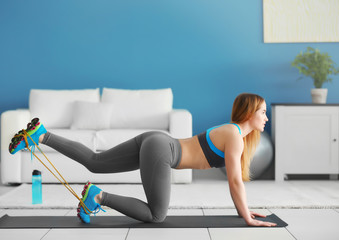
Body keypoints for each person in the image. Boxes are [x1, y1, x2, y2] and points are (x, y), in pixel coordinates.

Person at [9, 93, 276, 227]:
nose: (266, 117)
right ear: (250, 112)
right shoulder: (235, 135)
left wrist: (245, 210)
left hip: (157, 141)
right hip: (163, 150)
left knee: (95, 162)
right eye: (263, 112)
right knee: (157, 215)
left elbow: (235, 182)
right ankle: (97, 197)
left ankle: (41, 135)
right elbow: (234, 182)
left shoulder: (233, 133)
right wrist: (247, 218)